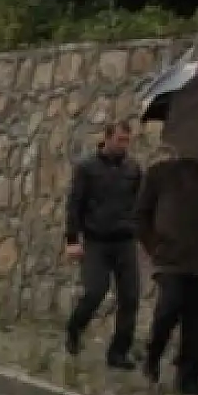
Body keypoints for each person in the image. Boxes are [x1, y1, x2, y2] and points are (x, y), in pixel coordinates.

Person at [136, 150, 198, 394]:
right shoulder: (160, 173)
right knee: (169, 308)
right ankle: (153, 355)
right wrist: (154, 245)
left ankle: (188, 377)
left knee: (197, 324)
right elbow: (141, 214)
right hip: (171, 259)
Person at [63, 121, 143, 368]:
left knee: (130, 297)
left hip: (125, 240)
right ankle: (74, 329)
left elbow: (141, 204)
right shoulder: (87, 167)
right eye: (120, 140)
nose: (123, 145)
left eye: (127, 141)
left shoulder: (133, 169)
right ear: (107, 139)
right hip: (96, 240)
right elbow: (75, 204)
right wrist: (72, 240)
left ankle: (119, 352)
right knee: (95, 291)